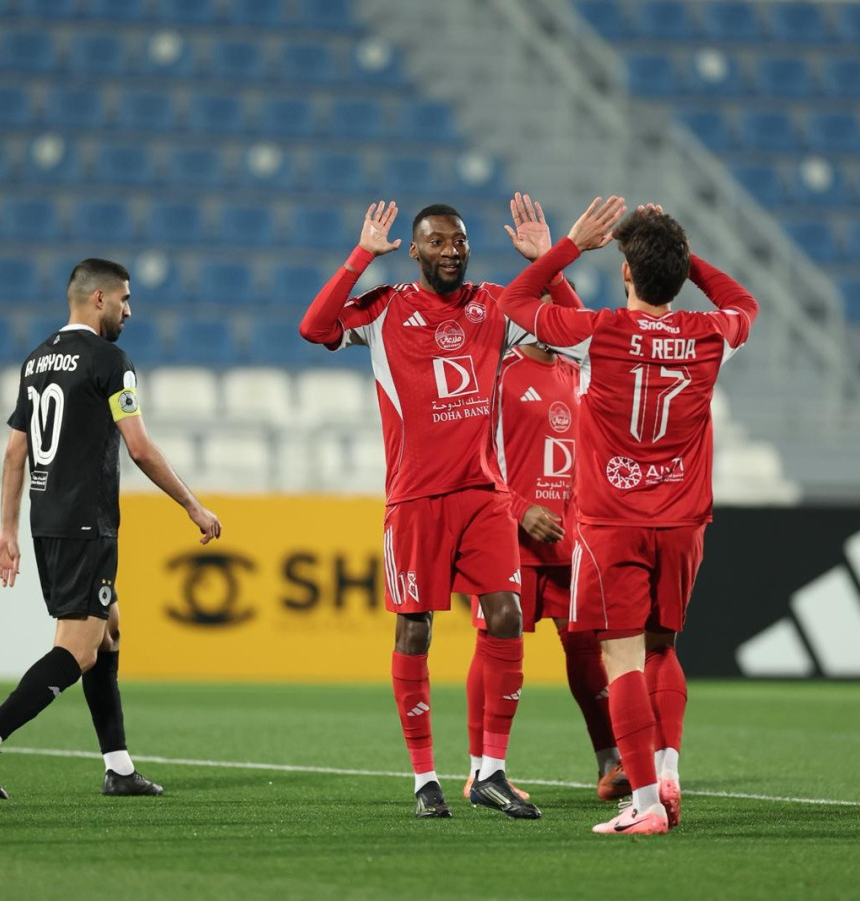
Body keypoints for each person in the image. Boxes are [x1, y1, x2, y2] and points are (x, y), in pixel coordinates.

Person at [298, 194, 582, 820]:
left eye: (458, 241)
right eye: (437, 242)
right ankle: (425, 777)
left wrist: (549, 266)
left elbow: (579, 334)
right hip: (415, 497)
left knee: (505, 617)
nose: (451, 251)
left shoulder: (496, 304)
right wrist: (360, 257)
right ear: (416, 250)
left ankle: (492, 772)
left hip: (483, 494)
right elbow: (316, 328)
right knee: (416, 629)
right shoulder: (385, 309)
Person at [498, 199, 759, 836]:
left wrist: (566, 248)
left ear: (624, 273)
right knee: (664, 647)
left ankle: (643, 805)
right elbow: (745, 304)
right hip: (684, 519)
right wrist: (678, 256)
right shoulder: (709, 335)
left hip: (613, 519)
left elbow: (515, 303)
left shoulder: (602, 332)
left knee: (621, 661)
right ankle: (665, 768)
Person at [0, 258, 222, 800]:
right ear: (98, 299)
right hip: (85, 522)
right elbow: (139, 447)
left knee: (109, 629)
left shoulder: (36, 361)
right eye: (124, 299)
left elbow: (14, 451)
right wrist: (192, 505)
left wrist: (6, 531)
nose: (129, 310)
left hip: (45, 518)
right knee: (80, 650)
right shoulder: (109, 360)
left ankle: (118, 767)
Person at [464, 322, 627, 803]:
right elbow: (474, 455)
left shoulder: (580, 374)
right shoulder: (497, 373)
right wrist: (519, 509)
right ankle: (480, 771)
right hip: (508, 535)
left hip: (573, 539)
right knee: (495, 641)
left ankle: (610, 761)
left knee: (584, 647)